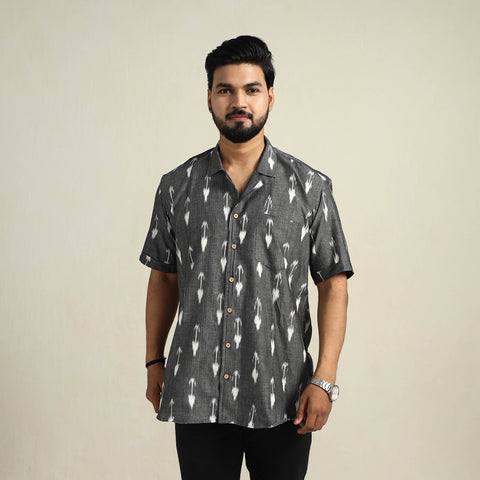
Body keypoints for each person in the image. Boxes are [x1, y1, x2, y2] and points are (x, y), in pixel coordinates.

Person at [139, 35, 354, 480]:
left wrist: (325, 378)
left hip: (283, 394)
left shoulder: (310, 188)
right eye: (226, 90)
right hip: (197, 390)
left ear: (270, 96)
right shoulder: (177, 187)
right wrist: (154, 360)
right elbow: (164, 277)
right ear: (210, 98)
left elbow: (333, 283)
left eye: (251, 89)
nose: (239, 102)